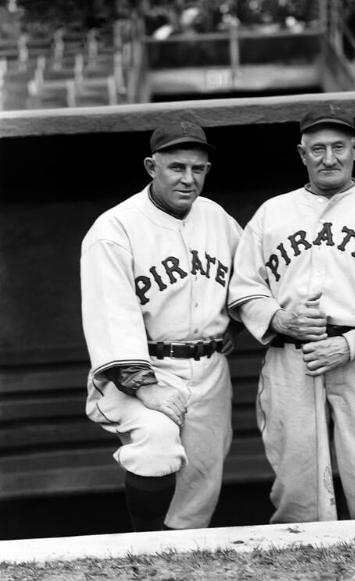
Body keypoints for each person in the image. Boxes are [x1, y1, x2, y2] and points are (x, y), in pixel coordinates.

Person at [228, 104, 355, 523]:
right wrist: (278, 319)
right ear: (301, 154)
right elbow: (244, 288)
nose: (329, 158)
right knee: (296, 490)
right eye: (316, 149)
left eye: (339, 147)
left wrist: (349, 344)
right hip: (291, 356)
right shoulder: (271, 214)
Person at [81, 119, 242, 531]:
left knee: (202, 475)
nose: (189, 179)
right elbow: (110, 313)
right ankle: (144, 546)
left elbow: (248, 281)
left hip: (208, 369)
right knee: (155, 440)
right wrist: (144, 384)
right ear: (152, 167)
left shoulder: (217, 218)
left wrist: (236, 325)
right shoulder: (115, 229)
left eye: (198, 169)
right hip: (141, 367)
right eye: (177, 168)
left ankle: (179, 560)